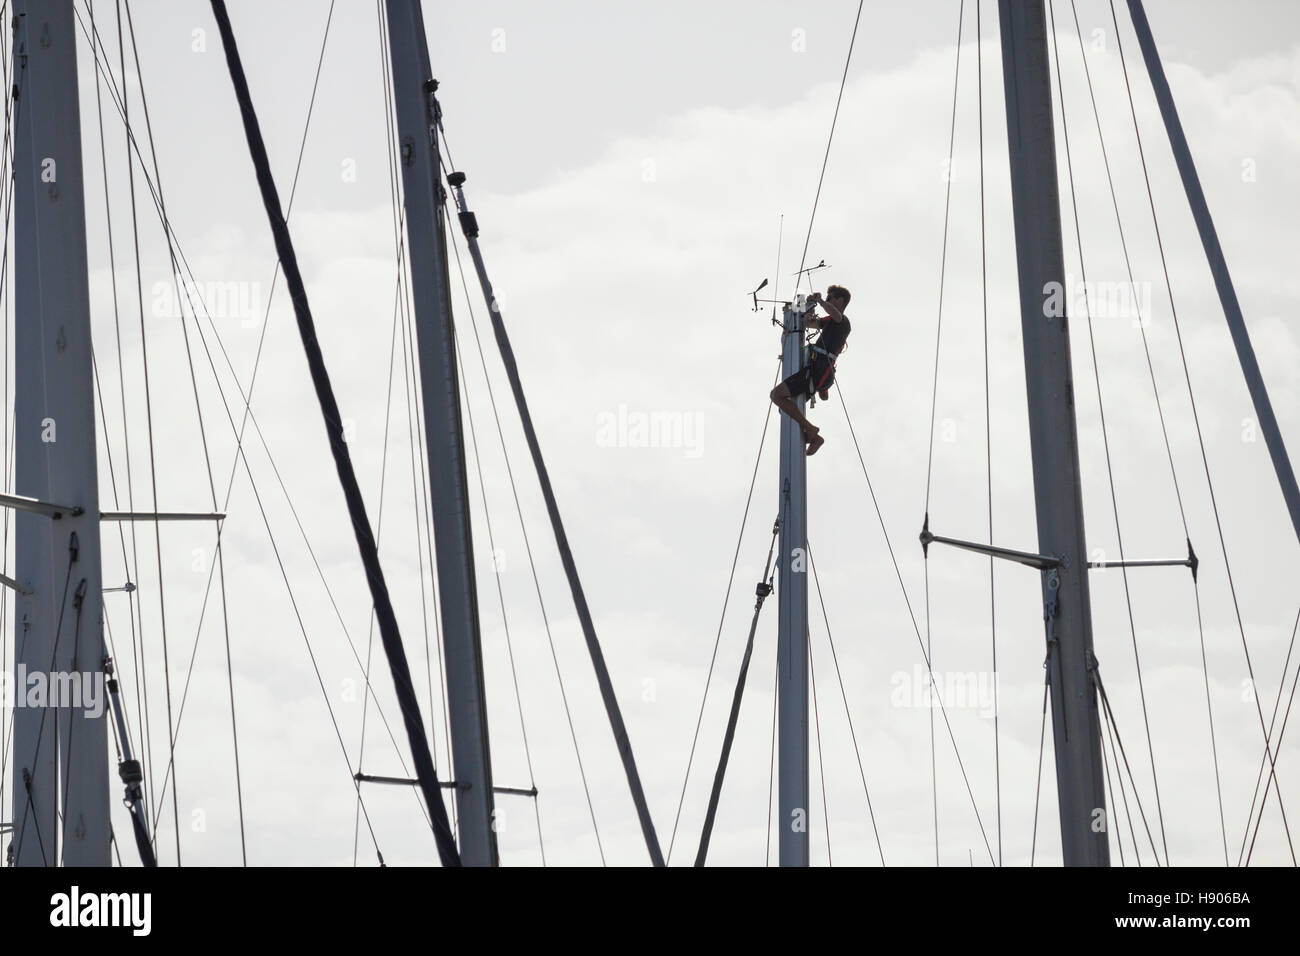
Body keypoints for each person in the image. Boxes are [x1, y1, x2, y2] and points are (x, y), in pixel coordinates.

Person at [768, 285, 851, 456]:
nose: (828, 300)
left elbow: (835, 315)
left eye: (830, 297)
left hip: (818, 371)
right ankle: (812, 435)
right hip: (815, 370)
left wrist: (820, 301)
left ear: (840, 300)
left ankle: (811, 430)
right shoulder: (830, 321)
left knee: (777, 395)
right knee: (785, 408)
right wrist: (803, 313)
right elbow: (810, 323)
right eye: (827, 298)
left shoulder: (843, 322)